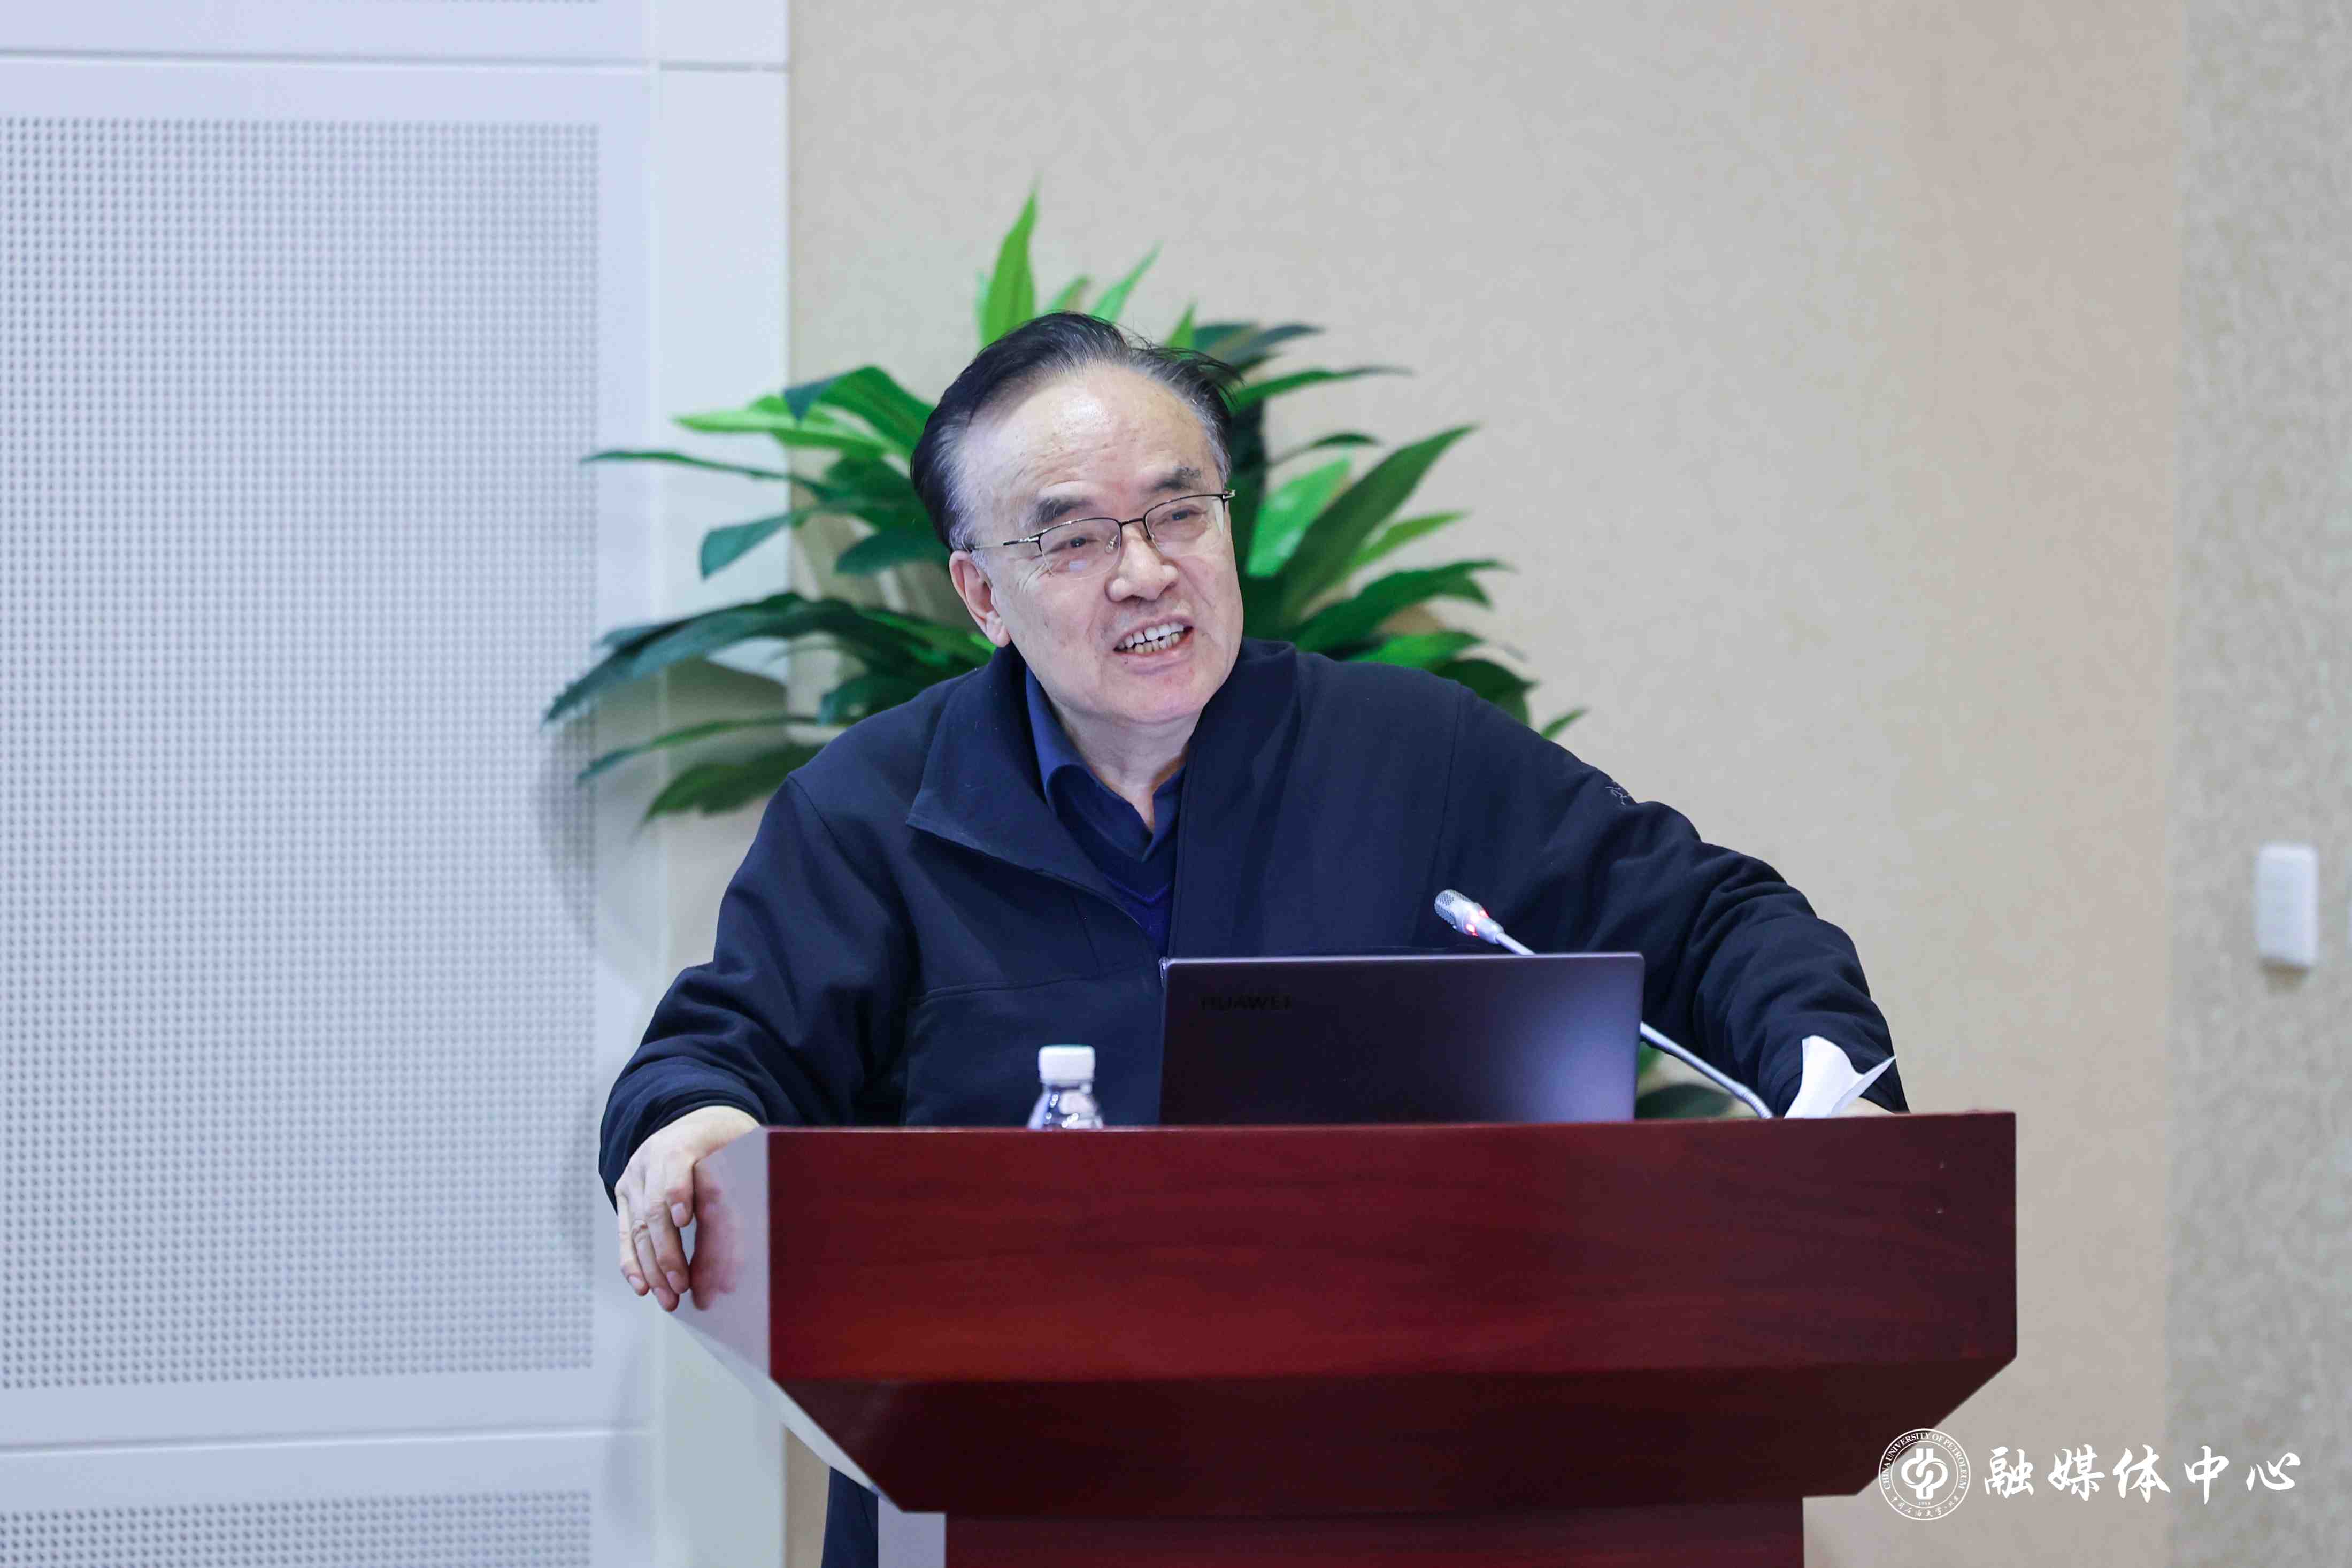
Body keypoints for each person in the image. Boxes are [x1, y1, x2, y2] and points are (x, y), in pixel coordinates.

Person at [598, 312, 1905, 1567]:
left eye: (1180, 512)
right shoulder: (872, 809)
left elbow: (1711, 919)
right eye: (1073, 538)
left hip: (1406, 1493)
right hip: (1005, 1504)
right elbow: (719, 1052)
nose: (1145, 571)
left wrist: (1828, 1090)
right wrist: (693, 1128)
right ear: (982, 593)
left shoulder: (1412, 754)